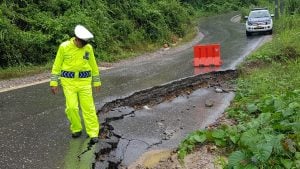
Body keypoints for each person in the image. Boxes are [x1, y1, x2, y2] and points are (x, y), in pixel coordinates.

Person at [50, 25, 101, 144]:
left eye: (85, 43)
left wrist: (97, 81)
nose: (82, 46)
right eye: (81, 43)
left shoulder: (88, 48)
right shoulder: (64, 47)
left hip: (85, 82)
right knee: (72, 108)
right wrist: (54, 82)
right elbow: (56, 66)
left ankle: (93, 132)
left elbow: (93, 65)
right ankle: (76, 129)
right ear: (76, 38)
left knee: (88, 108)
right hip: (68, 83)